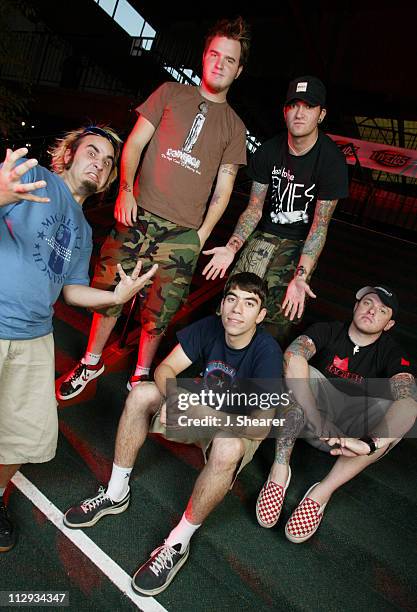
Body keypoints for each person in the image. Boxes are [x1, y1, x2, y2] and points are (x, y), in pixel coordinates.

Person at [58, 16, 250, 400]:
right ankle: (91, 360)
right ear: (204, 56)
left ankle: (141, 373)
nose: (219, 64)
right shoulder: (169, 93)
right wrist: (126, 191)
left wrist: (200, 236)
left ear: (238, 69)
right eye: (215, 54)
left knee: (159, 313)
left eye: (229, 60)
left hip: (182, 234)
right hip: (137, 214)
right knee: (109, 291)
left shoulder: (234, 126)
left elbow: (224, 187)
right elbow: (133, 145)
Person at [63, 272, 283, 595]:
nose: (237, 310)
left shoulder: (267, 351)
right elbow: (166, 369)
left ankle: (179, 542)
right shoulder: (211, 327)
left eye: (249, 304)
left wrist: (201, 410)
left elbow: (262, 425)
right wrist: (174, 397)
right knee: (141, 395)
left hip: (238, 424)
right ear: (222, 306)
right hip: (200, 405)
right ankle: (115, 492)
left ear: (260, 316)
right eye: (231, 299)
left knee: (227, 448)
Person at [0, 128, 158, 553]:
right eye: (93, 152)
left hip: (35, 337)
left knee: (27, 435)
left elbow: (71, 291)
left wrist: (115, 297)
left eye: (109, 162)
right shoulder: (30, 177)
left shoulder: (84, 231)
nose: (100, 163)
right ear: (68, 153)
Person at [255, 284, 417, 543]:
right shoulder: (327, 330)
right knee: (295, 369)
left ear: (389, 324)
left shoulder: (392, 353)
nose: (372, 311)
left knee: (402, 409)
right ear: (355, 306)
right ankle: (279, 470)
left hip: (350, 438)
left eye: (382, 310)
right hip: (310, 422)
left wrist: (369, 444)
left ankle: (322, 492)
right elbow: (294, 356)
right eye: (367, 303)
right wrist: (317, 418)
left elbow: (408, 403)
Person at [203, 75, 349, 344]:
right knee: (236, 299)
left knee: (282, 311)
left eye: (309, 107)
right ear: (285, 111)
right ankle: (222, 366)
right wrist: (232, 247)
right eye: (294, 105)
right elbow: (254, 209)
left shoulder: (332, 162)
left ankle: (257, 373)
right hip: (265, 234)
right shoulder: (268, 151)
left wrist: (301, 275)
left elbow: (319, 226)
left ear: (321, 114)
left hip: (299, 241)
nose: (300, 113)